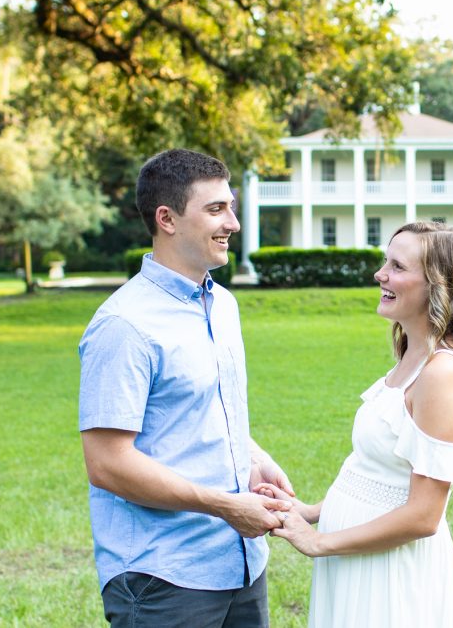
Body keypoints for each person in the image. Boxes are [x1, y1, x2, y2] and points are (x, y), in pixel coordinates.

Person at [78, 148, 293, 628]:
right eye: (216, 209)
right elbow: (107, 463)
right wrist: (222, 505)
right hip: (164, 578)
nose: (233, 223)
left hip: (240, 564)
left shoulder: (223, 305)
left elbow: (204, 409)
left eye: (231, 207)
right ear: (166, 219)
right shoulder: (124, 324)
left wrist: (255, 457)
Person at [259, 221, 453, 627]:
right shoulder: (413, 355)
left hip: (391, 576)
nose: (380, 274)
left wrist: (319, 542)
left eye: (398, 267)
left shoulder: (444, 374)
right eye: (386, 261)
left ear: (438, 285)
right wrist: (311, 511)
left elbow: (423, 515)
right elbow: (381, 477)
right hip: (358, 564)